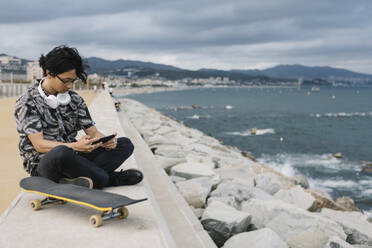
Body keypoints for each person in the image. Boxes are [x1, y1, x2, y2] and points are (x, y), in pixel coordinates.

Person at [14, 45, 143, 189]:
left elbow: (93, 132)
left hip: (75, 156)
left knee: (124, 144)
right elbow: (39, 145)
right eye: (66, 80)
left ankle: (80, 179)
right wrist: (74, 146)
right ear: (49, 73)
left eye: (73, 81)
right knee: (61, 153)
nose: (70, 86)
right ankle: (110, 179)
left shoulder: (74, 99)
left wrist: (106, 142)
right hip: (44, 163)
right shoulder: (27, 101)